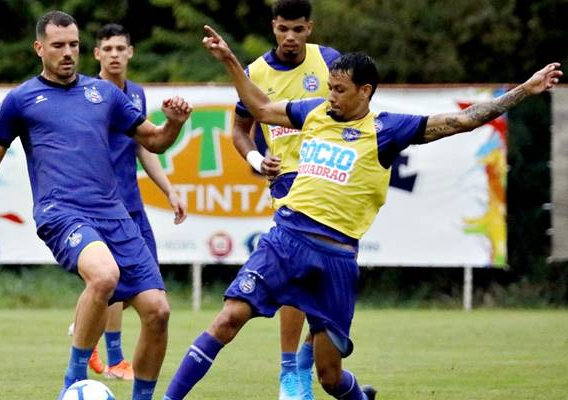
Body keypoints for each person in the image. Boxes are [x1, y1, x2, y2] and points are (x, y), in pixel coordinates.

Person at [161, 26, 562, 400]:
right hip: (285, 241)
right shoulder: (313, 112)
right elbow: (262, 109)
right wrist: (230, 60)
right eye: (329, 88)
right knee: (228, 319)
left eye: (339, 90)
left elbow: (463, 120)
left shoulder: (388, 130)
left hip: (336, 260)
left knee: (330, 378)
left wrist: (524, 90)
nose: (331, 97)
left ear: (364, 91)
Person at [0, 11, 192, 400]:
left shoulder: (105, 94)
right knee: (104, 276)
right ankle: (73, 380)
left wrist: (174, 124)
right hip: (61, 213)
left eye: (73, 45)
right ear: (39, 48)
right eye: (58, 45)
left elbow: (155, 141)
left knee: (158, 311)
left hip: (114, 214)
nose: (67, 53)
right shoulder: (21, 100)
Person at [230, 1, 339, 399]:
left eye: (297, 29)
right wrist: (257, 160)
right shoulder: (256, 72)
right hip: (289, 183)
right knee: (296, 275)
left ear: (310, 28)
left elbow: (354, 111)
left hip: (334, 180)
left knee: (329, 280)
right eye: (282, 29)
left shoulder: (330, 62)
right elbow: (239, 130)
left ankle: (308, 358)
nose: (290, 37)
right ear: (273, 27)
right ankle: (290, 371)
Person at [72, 22, 188, 380]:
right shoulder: (87, 95)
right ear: (96, 54)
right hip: (101, 207)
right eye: (107, 49)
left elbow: (142, 145)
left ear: (130, 52)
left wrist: (169, 189)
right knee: (113, 280)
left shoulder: (135, 94)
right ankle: (115, 359)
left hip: (132, 204)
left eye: (120, 48)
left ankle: (86, 329)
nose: (114, 55)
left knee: (143, 285)